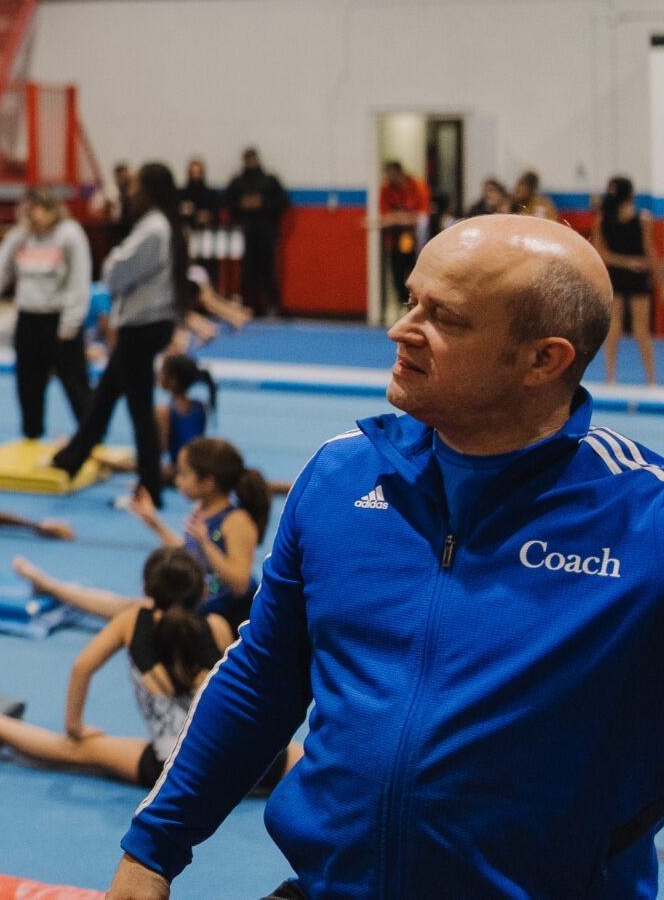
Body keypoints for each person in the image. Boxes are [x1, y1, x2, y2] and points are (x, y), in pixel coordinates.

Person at [103, 215, 664, 900]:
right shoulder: (343, 476)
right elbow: (262, 679)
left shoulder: (643, 521)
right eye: (411, 300)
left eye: (446, 318)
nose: (402, 329)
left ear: (544, 360)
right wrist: (151, 847)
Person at [0, 549, 245, 789]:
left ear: (145, 589)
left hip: (176, 766)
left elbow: (82, 666)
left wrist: (75, 728)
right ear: (201, 592)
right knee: (292, 754)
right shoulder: (217, 626)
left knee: (79, 750)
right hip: (237, 756)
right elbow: (241, 693)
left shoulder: (132, 621)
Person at [50, 162, 184, 499]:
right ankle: (72, 457)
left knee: (139, 409)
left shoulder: (153, 229)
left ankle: (150, 487)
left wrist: (112, 261)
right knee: (105, 397)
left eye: (136, 184)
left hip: (143, 326)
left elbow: (115, 271)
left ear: (149, 189)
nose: (131, 190)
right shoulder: (158, 225)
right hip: (143, 324)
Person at [0, 186, 94, 440]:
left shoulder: (70, 235)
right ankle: (32, 432)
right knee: (28, 383)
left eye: (38, 210)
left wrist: (70, 324)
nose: (32, 216)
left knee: (75, 382)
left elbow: (79, 282)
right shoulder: (20, 237)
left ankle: (90, 435)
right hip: (29, 320)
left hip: (59, 319)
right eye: (28, 211)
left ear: (52, 210)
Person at [126, 436, 268, 627]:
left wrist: (206, 544)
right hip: (202, 601)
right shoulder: (202, 509)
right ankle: (69, 593)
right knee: (135, 610)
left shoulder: (236, 521)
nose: (177, 480)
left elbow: (240, 584)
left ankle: (70, 594)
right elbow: (192, 555)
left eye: (184, 474)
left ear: (208, 482)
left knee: (136, 612)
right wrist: (155, 523)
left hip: (229, 615)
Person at [598, 176, 655, 386]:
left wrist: (622, 261)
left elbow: (599, 251)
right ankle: (651, 380)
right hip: (637, 275)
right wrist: (657, 276)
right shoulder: (643, 218)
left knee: (614, 327)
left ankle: (610, 378)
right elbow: (650, 252)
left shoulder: (604, 218)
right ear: (631, 194)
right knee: (641, 329)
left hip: (615, 274)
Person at [223, 149, 289, 317]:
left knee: (268, 270)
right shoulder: (237, 182)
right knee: (246, 271)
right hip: (245, 232)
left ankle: (272, 306)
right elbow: (228, 204)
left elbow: (282, 202)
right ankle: (248, 305)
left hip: (266, 232)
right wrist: (242, 204)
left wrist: (263, 203)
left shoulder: (269, 180)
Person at [376, 160, 429, 316]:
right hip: (395, 240)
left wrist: (397, 218)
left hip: (417, 239)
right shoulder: (386, 189)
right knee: (398, 277)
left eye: (390, 174)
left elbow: (422, 216)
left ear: (398, 172)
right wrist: (402, 218)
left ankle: (417, 306)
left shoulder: (417, 186)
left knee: (415, 273)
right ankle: (403, 305)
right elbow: (384, 217)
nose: (387, 178)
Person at [156, 352, 214, 463]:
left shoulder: (163, 412)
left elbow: (160, 449)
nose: (159, 375)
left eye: (162, 372)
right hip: (196, 467)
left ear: (173, 380)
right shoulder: (200, 407)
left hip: (178, 471)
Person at [175, 159, 220, 232]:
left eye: (198, 172)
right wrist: (183, 211)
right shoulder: (181, 194)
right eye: (193, 173)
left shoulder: (211, 194)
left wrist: (209, 216)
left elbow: (217, 213)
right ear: (189, 173)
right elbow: (175, 214)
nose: (195, 176)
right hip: (186, 229)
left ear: (202, 173)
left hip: (207, 230)